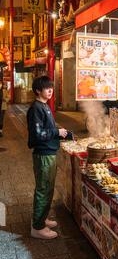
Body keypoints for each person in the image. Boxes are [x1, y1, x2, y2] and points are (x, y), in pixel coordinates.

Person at [27, 76, 70, 240]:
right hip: (43, 154)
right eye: (47, 88)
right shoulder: (36, 108)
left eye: (51, 87)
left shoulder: (44, 106)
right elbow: (38, 134)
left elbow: (48, 129)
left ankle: (42, 219)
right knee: (43, 189)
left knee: (48, 188)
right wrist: (56, 132)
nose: (50, 90)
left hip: (49, 153)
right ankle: (37, 227)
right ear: (38, 90)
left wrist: (61, 132)